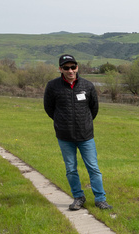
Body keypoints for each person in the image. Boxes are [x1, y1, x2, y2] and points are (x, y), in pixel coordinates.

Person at [44, 54, 112, 210]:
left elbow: (93, 109)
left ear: (77, 67)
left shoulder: (87, 86)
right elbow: (49, 108)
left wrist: (85, 123)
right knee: (71, 169)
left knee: (93, 168)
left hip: (85, 136)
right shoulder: (53, 86)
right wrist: (61, 122)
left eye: (73, 67)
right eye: (66, 68)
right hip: (65, 136)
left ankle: (100, 199)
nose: (70, 71)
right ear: (60, 69)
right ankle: (78, 197)